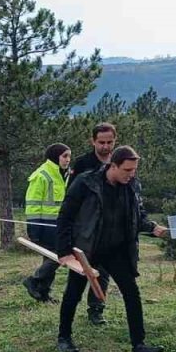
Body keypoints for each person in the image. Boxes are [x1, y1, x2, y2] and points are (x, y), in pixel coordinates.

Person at [55, 146, 168, 352]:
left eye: (134, 170)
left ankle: (138, 345)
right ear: (113, 166)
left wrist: (152, 227)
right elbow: (65, 217)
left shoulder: (132, 186)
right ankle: (64, 337)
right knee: (73, 292)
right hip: (87, 249)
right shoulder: (86, 183)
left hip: (118, 250)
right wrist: (64, 252)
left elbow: (138, 215)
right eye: (127, 170)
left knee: (131, 293)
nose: (131, 174)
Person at [68, 123, 119, 325]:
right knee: (80, 273)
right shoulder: (82, 164)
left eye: (109, 142)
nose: (105, 147)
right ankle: (68, 314)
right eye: (101, 142)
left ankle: (96, 309)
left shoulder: (119, 161)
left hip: (109, 227)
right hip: (85, 227)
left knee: (103, 270)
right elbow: (71, 198)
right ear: (93, 141)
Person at [23, 143, 71, 302]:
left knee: (50, 258)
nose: (68, 160)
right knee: (58, 257)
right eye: (65, 156)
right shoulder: (41, 175)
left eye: (69, 156)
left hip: (59, 224)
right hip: (44, 225)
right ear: (55, 156)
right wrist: (34, 228)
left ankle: (43, 294)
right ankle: (34, 280)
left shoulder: (62, 174)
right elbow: (32, 204)